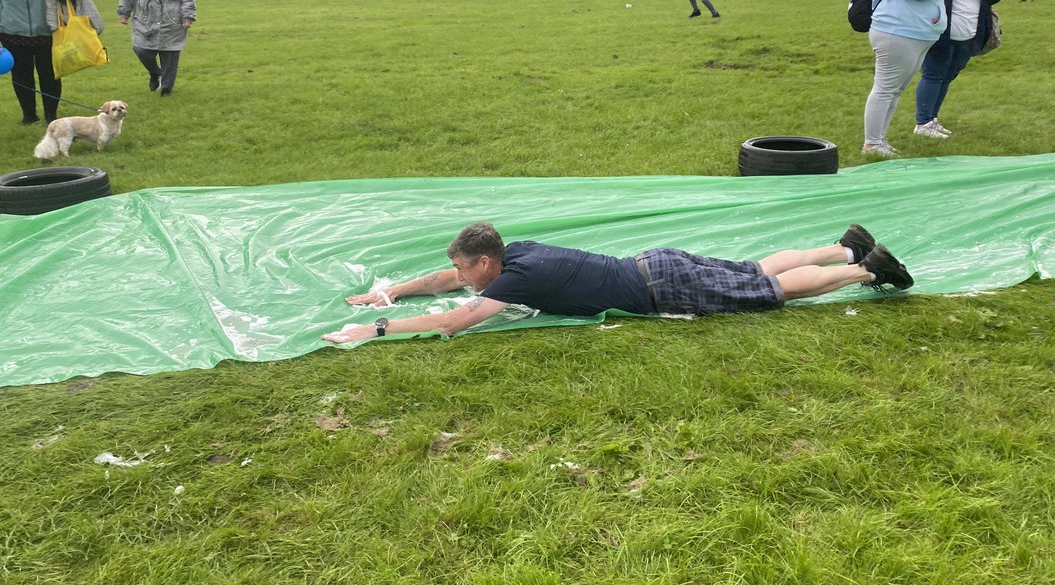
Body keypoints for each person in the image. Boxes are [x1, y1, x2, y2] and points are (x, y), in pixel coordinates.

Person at [321, 221, 913, 343]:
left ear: (486, 264)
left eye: (467, 271)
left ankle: (865, 267)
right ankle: (843, 243)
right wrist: (393, 290)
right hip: (656, 262)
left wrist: (375, 327)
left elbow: (452, 318)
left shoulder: (512, 281)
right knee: (756, 267)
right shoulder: (513, 253)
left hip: (663, 290)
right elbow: (445, 282)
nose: (462, 279)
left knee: (768, 290)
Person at [861, 0, 958, 158]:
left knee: (894, 90)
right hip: (897, 34)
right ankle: (872, 143)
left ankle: (879, 140)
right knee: (885, 88)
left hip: (915, 35)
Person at [911, 0, 1004, 139]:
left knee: (948, 76)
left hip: (970, 34)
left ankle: (932, 120)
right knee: (933, 74)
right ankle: (922, 123)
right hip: (940, 32)